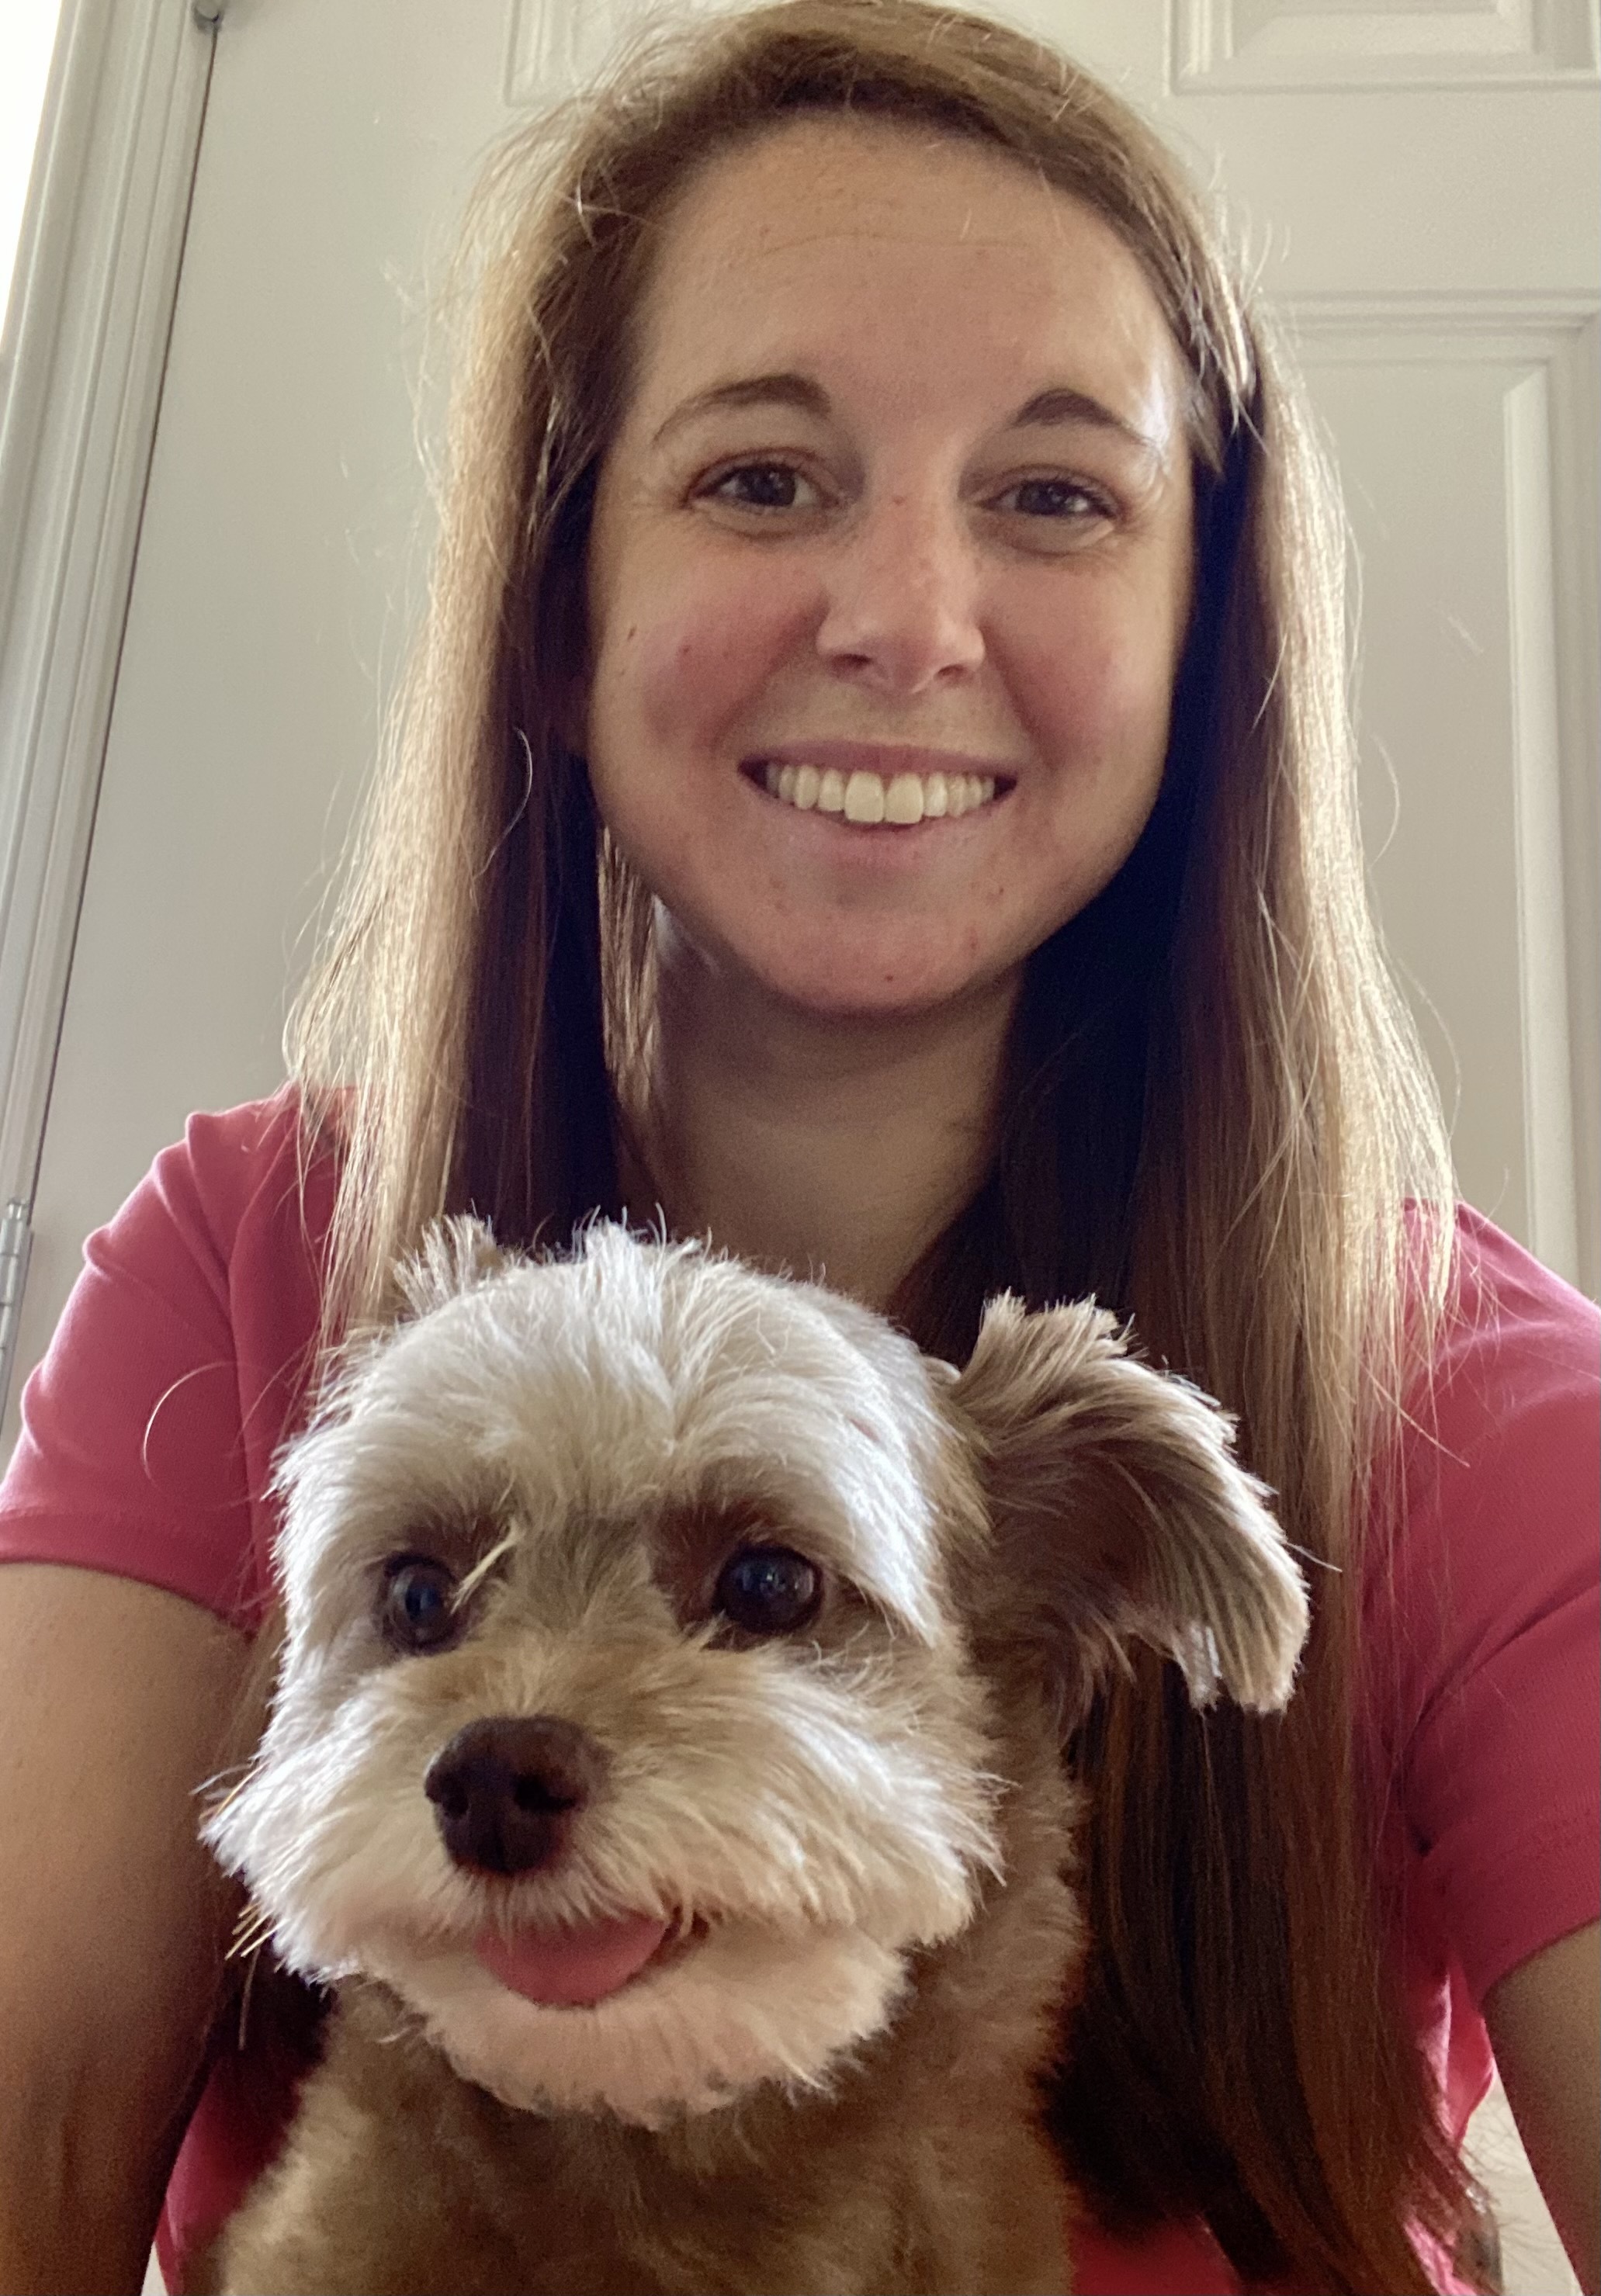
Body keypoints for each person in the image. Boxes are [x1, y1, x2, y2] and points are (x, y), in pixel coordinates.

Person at [1, 3, 1595, 2291]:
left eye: (1055, 496)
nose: (903, 623)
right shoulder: (251, 1257)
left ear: (1200, 632)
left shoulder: (1478, 1407)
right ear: (561, 606)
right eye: (763, 476)